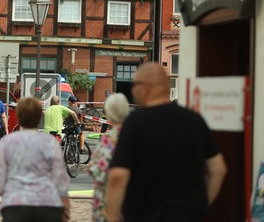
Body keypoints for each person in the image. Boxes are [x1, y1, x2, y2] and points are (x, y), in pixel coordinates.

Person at [105, 62, 227, 222]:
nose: (132, 90)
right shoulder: (195, 120)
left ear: (145, 87)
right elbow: (218, 169)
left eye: (134, 85)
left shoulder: (135, 123)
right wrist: (199, 207)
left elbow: (118, 176)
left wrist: (112, 217)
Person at [0, 97, 70, 222]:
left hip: (15, 204)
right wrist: (66, 205)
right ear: (39, 117)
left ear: (19, 117)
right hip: (47, 204)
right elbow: (60, 177)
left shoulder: (7, 142)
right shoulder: (50, 143)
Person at [87, 93, 130, 222]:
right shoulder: (137, 136)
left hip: (108, 207)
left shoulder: (108, 141)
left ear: (109, 113)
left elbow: (100, 172)